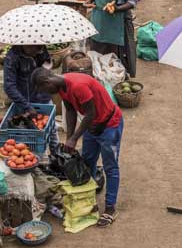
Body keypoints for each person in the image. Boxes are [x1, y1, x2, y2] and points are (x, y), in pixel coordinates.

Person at [32, 69, 124, 226]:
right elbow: (70, 111)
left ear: (48, 82)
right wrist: (69, 139)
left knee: (110, 167)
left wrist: (75, 138)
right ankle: (89, 195)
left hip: (109, 125)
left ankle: (110, 208)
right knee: (88, 161)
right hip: (93, 126)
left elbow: (90, 113)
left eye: (45, 90)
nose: (48, 94)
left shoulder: (77, 86)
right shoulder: (62, 87)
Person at [2, 45, 57, 152]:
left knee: (51, 129)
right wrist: (26, 106)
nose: (38, 52)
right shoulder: (12, 57)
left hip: (43, 97)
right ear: (26, 45)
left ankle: (57, 155)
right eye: (35, 49)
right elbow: (9, 87)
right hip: (24, 99)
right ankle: (35, 156)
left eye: (40, 49)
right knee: (28, 134)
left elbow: (46, 62)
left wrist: (47, 67)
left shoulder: (40, 48)